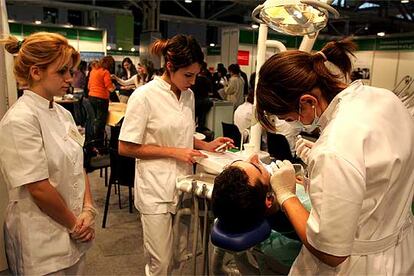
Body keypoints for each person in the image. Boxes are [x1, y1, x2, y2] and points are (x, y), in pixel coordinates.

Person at [255, 38, 414, 274]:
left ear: (307, 101)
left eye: (291, 118)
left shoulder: (334, 148)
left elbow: (331, 253)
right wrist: (320, 162)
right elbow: (378, 168)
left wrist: (286, 194)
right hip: (400, 251)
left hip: (359, 265)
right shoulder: (385, 98)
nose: (296, 124)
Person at [118, 34, 234, 276]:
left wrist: (207, 145)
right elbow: (126, 147)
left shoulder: (188, 95)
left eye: (195, 75)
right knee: (159, 262)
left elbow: (180, 135)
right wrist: (176, 153)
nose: (192, 81)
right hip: (154, 189)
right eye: (187, 75)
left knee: (180, 256)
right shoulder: (144, 96)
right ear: (169, 67)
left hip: (182, 185)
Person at [0, 32, 96, 275]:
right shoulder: (20, 120)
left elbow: (78, 163)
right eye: (62, 71)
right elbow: (38, 188)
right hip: (41, 241)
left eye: (70, 71)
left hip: (74, 230)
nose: (69, 78)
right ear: (35, 72)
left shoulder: (64, 114)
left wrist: (88, 208)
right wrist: (75, 225)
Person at [211, 154, 311, 269]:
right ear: (269, 199)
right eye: (257, 167)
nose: (254, 156)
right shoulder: (282, 246)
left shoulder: (244, 211)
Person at [87, 55, 116, 145]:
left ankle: (92, 142)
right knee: (101, 122)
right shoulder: (105, 72)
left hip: (91, 97)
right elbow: (109, 88)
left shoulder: (93, 71)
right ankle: (99, 145)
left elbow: (89, 86)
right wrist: (113, 87)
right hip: (101, 99)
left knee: (93, 121)